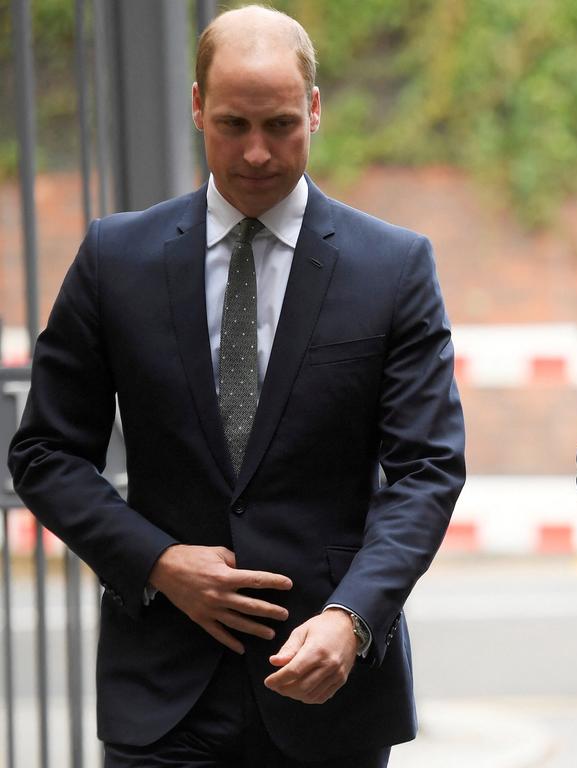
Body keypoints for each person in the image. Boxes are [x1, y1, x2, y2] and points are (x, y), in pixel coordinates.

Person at [8, 6, 464, 767]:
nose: (257, 152)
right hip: (161, 689)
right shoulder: (114, 258)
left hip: (327, 683)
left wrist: (353, 617)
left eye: (281, 124)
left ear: (315, 110)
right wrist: (155, 561)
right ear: (195, 107)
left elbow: (427, 470)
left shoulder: (392, 267)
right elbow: (47, 453)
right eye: (232, 124)